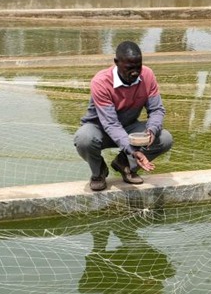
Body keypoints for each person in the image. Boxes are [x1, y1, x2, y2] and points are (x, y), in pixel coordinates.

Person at [74, 41, 173, 191]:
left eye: (137, 67)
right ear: (116, 63)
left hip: (129, 127)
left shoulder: (147, 75)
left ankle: (124, 164)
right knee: (84, 138)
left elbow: (157, 110)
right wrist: (133, 150)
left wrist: (152, 129)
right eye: (129, 68)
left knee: (164, 138)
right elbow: (111, 124)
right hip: (100, 130)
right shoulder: (101, 82)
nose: (134, 72)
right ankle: (98, 172)